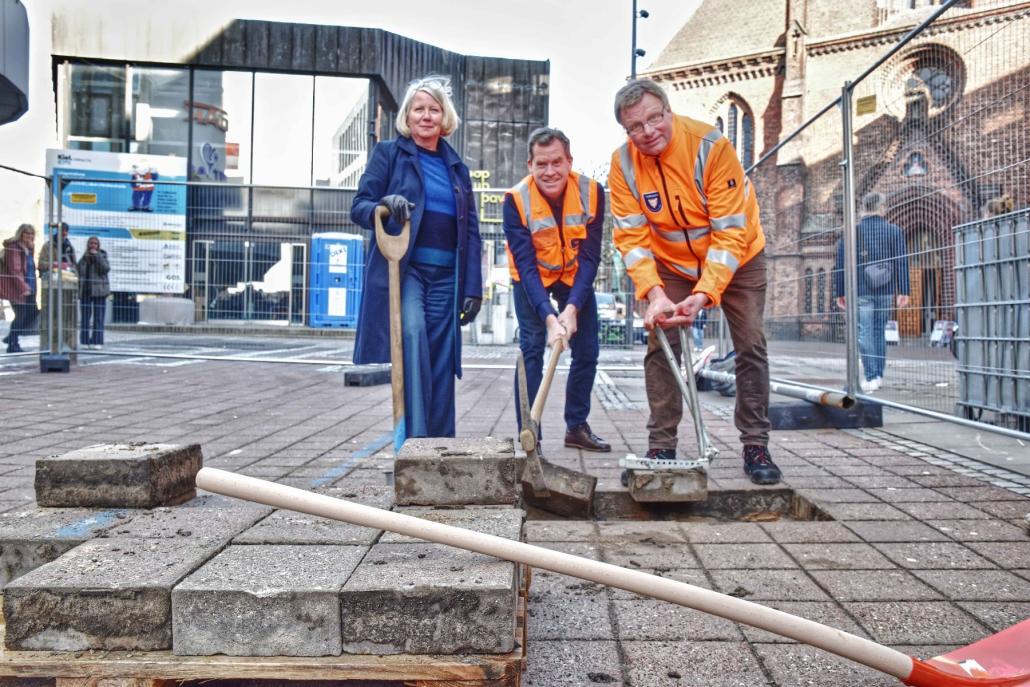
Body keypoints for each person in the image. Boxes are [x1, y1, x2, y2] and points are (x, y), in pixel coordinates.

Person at [608, 79, 780, 485]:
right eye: (635, 127)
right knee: (661, 343)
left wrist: (705, 293)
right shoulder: (624, 164)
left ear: (669, 111)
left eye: (655, 118)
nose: (648, 132)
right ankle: (661, 446)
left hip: (739, 256)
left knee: (751, 343)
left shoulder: (710, 146)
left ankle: (756, 443)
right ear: (626, 131)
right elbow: (631, 238)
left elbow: (729, 232)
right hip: (672, 264)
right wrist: (654, 294)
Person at [351, 75, 482, 439]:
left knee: (442, 355)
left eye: (434, 109)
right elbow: (358, 207)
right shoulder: (390, 155)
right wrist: (384, 207)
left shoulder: (457, 169)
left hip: (448, 276)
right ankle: (414, 441)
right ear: (407, 117)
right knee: (411, 335)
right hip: (407, 270)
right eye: (418, 109)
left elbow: (471, 231)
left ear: (445, 117)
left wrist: (474, 287)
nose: (426, 116)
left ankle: (440, 446)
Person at [503, 127, 610, 453]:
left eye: (557, 163)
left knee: (587, 350)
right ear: (530, 165)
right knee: (532, 348)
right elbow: (525, 264)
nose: (550, 172)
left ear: (569, 161)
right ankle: (529, 428)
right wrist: (550, 319)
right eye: (541, 164)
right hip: (530, 278)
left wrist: (572, 308)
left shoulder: (592, 192)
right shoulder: (515, 200)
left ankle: (576, 427)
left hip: (575, 274)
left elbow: (592, 256)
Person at [834, 192, 910, 393]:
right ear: (882, 207)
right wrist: (904, 290)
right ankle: (878, 375)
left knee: (865, 331)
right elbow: (901, 261)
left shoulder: (851, 232)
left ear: (863, 208)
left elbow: (840, 264)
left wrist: (840, 291)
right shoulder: (894, 231)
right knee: (878, 331)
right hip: (885, 289)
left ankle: (870, 375)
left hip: (860, 289)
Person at [38, 222, 79, 355]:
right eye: (62, 231)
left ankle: (67, 343)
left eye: (66, 231)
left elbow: (74, 265)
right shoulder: (48, 246)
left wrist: (70, 268)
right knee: (52, 316)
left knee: (67, 317)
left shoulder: (69, 247)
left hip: (67, 287)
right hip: (52, 287)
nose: (64, 234)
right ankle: (51, 344)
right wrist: (56, 264)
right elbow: (41, 264)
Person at [1, 224, 38, 353]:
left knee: (31, 313)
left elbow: (29, 268)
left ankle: (11, 338)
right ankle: (13, 344)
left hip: (29, 286)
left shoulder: (27, 248)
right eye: (26, 234)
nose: (29, 236)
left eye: (31, 234)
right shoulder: (14, 248)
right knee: (21, 315)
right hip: (17, 288)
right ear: (20, 234)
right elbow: (15, 270)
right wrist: (24, 287)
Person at [77, 236, 111, 349]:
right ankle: (85, 341)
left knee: (98, 317)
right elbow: (78, 270)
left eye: (95, 243)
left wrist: (96, 256)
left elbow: (106, 268)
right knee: (85, 317)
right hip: (86, 290)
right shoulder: (84, 257)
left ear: (98, 245)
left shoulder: (102, 255)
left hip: (99, 291)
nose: (93, 245)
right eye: (91, 243)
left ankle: (97, 341)